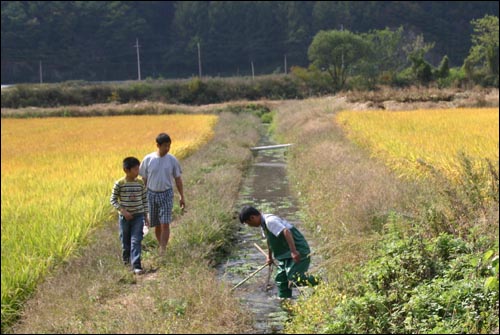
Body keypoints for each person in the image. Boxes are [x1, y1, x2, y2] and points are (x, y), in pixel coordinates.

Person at [239, 205, 319, 299]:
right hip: (285, 254)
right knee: (281, 279)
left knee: (294, 279)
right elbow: (270, 240)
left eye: (249, 223)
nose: (250, 226)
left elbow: (286, 232)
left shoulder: (270, 221)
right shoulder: (263, 225)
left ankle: (320, 282)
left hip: (298, 249)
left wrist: (293, 251)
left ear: (252, 217)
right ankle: (285, 300)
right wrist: (269, 257)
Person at [139, 133, 185, 255]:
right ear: (158, 145)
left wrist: (181, 196)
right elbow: (144, 179)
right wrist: (142, 197)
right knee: (156, 224)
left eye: (169, 146)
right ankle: (161, 245)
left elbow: (178, 179)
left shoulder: (172, 160)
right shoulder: (148, 159)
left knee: (165, 222)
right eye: (165, 146)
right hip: (151, 194)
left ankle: (163, 249)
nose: (167, 148)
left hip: (167, 194)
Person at [110, 156, 149, 274]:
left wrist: (146, 216)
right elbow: (113, 200)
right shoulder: (120, 183)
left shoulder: (140, 183)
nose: (138, 172)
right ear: (126, 170)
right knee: (125, 242)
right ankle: (126, 263)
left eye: (138, 169)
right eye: (135, 169)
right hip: (124, 218)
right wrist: (123, 211)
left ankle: (137, 265)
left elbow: (144, 199)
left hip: (138, 216)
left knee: (136, 240)